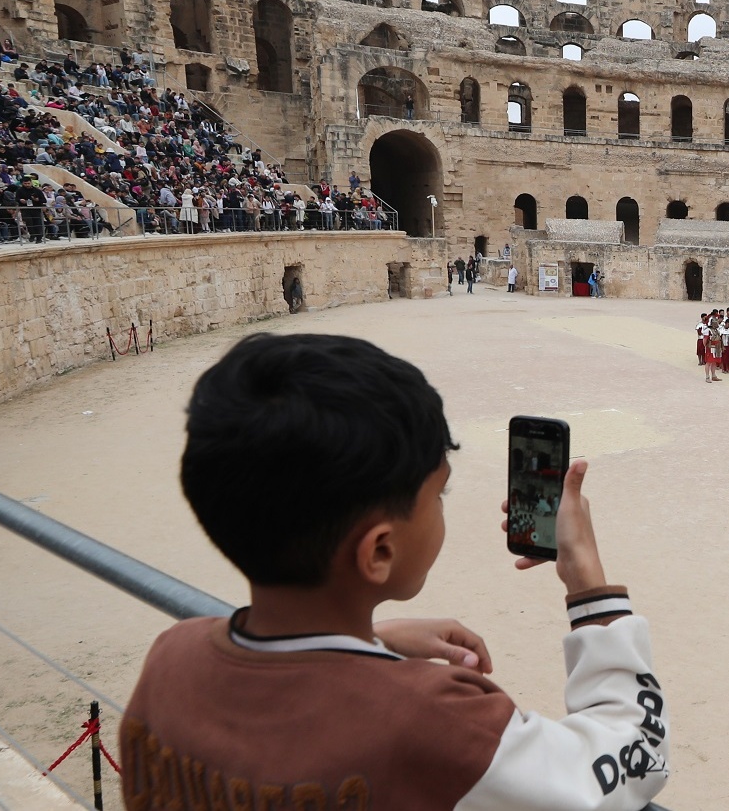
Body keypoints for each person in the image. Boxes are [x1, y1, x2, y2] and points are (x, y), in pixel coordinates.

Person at [120, 334, 668, 810]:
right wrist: (586, 580)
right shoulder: (433, 717)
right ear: (379, 552)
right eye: (439, 493)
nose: (443, 505)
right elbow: (633, 754)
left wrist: (369, 644)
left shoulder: (172, 657)